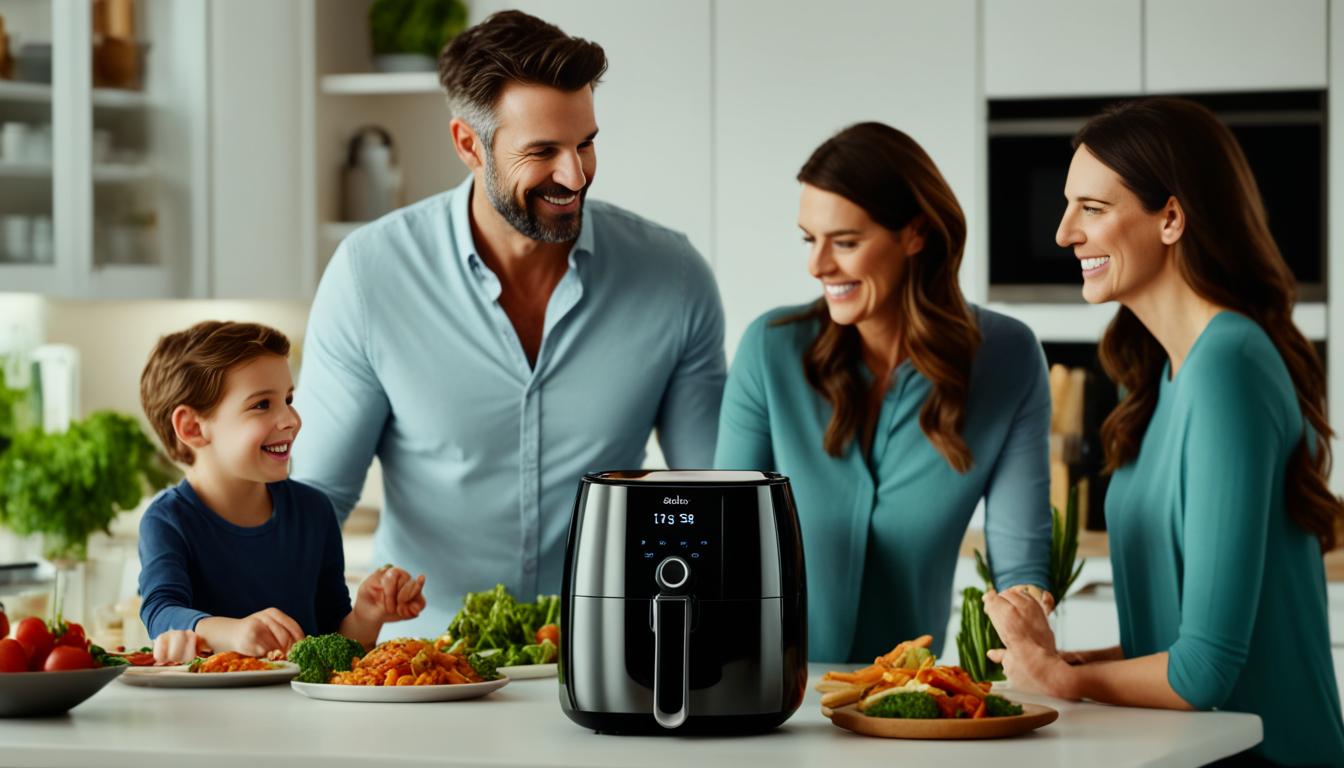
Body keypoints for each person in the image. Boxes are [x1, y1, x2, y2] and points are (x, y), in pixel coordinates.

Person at [291, 11, 725, 636]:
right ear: (469, 145)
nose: (574, 176)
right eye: (543, 151)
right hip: (427, 667)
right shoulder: (371, 275)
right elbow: (314, 504)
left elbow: (713, 496)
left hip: (607, 652)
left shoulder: (673, 278)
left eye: (585, 144)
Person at [983, 97, 1344, 767]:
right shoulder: (1157, 372)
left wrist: (1062, 679)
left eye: (1091, 208)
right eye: (1068, 205)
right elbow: (1180, 644)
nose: (1064, 233)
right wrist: (1059, 660)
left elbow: (1205, 670)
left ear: (1171, 218)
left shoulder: (1229, 363)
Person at [715, 122, 1052, 663]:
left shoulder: (1008, 359)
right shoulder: (769, 351)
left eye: (845, 242)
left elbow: (1021, 570)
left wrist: (1024, 658)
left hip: (904, 705)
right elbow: (722, 537)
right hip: (767, 694)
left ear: (914, 234)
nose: (817, 266)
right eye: (810, 239)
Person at [138, 321, 426, 662]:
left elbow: (337, 647)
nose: (291, 419)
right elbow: (161, 612)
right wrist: (232, 633)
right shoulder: (168, 520)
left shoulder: (314, 512)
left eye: (288, 399)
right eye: (262, 404)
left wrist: (367, 614)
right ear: (192, 427)